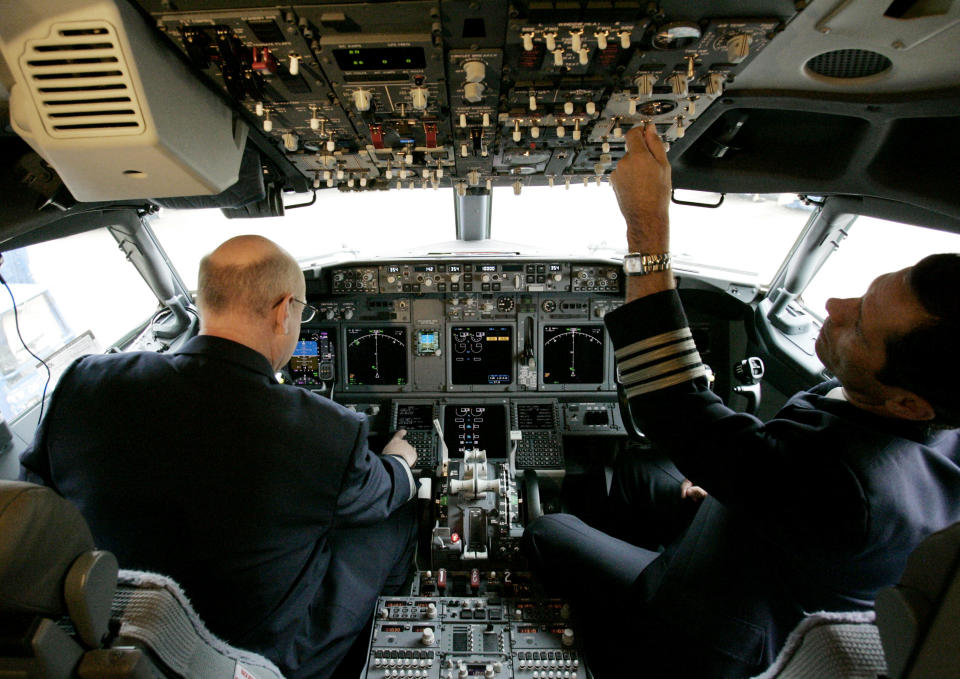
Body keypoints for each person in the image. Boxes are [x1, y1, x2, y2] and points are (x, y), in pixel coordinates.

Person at [522, 124, 960, 678]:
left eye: (861, 328)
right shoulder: (923, 417)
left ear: (909, 404)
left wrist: (646, 223)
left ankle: (610, 641)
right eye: (863, 291)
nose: (834, 304)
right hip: (762, 548)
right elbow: (784, 483)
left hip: (705, 629)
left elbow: (675, 407)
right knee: (635, 471)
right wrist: (734, 491)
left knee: (545, 531)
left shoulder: (850, 490)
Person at [20, 235, 419, 679]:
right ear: (284, 311)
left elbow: (37, 500)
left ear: (204, 300)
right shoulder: (324, 429)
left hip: (115, 627)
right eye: (302, 313)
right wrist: (399, 462)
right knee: (400, 517)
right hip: (252, 654)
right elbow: (385, 493)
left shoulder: (86, 382)